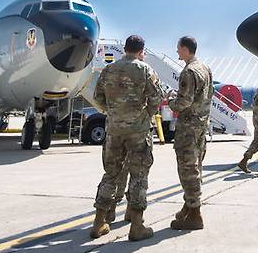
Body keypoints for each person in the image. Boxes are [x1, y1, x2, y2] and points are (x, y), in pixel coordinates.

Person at [89, 35, 163, 241]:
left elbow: (97, 98)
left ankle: (99, 222)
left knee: (111, 174)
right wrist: (146, 114)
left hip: (114, 129)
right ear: (141, 50)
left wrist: (113, 113)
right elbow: (156, 98)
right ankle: (137, 226)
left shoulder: (109, 69)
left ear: (125, 48)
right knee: (139, 175)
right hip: (138, 130)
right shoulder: (145, 70)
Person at [168, 36, 214, 230]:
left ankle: (195, 214)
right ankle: (188, 207)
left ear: (186, 49)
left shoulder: (189, 72)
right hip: (201, 125)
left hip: (188, 127)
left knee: (187, 169)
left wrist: (170, 101)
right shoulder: (205, 68)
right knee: (196, 166)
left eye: (178, 48)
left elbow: (183, 102)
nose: (177, 51)